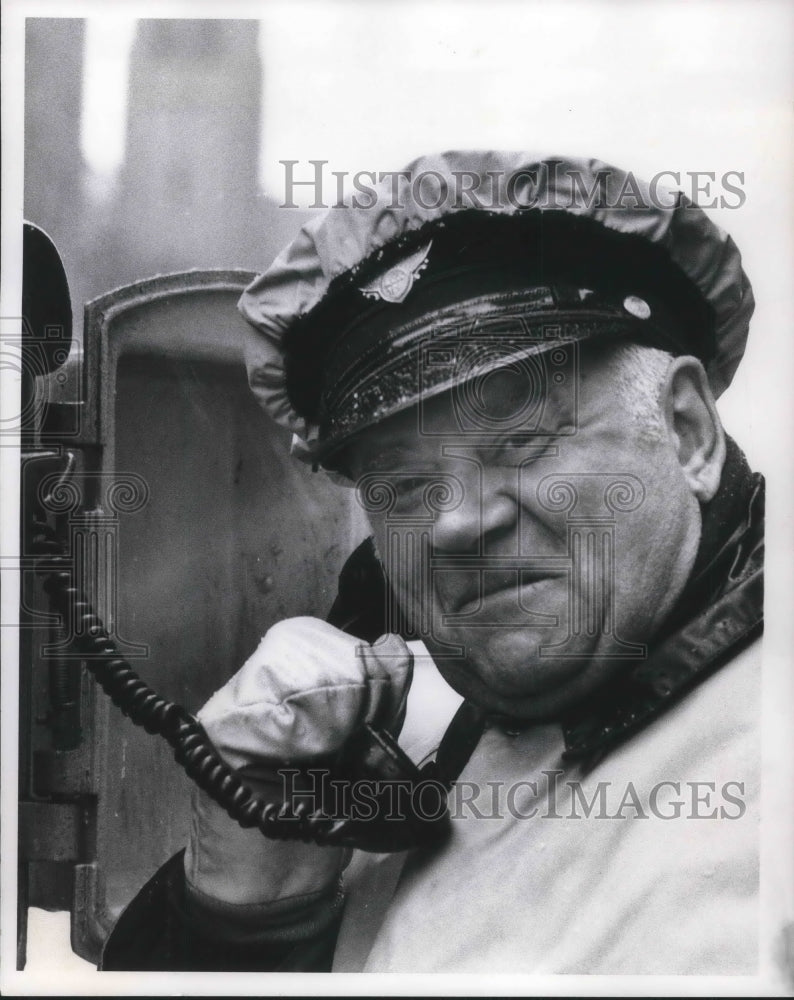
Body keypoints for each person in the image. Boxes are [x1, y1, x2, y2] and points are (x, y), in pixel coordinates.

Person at [101, 152, 764, 973]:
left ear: (688, 432)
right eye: (406, 484)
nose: (455, 522)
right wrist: (245, 914)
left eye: (523, 441)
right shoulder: (400, 762)